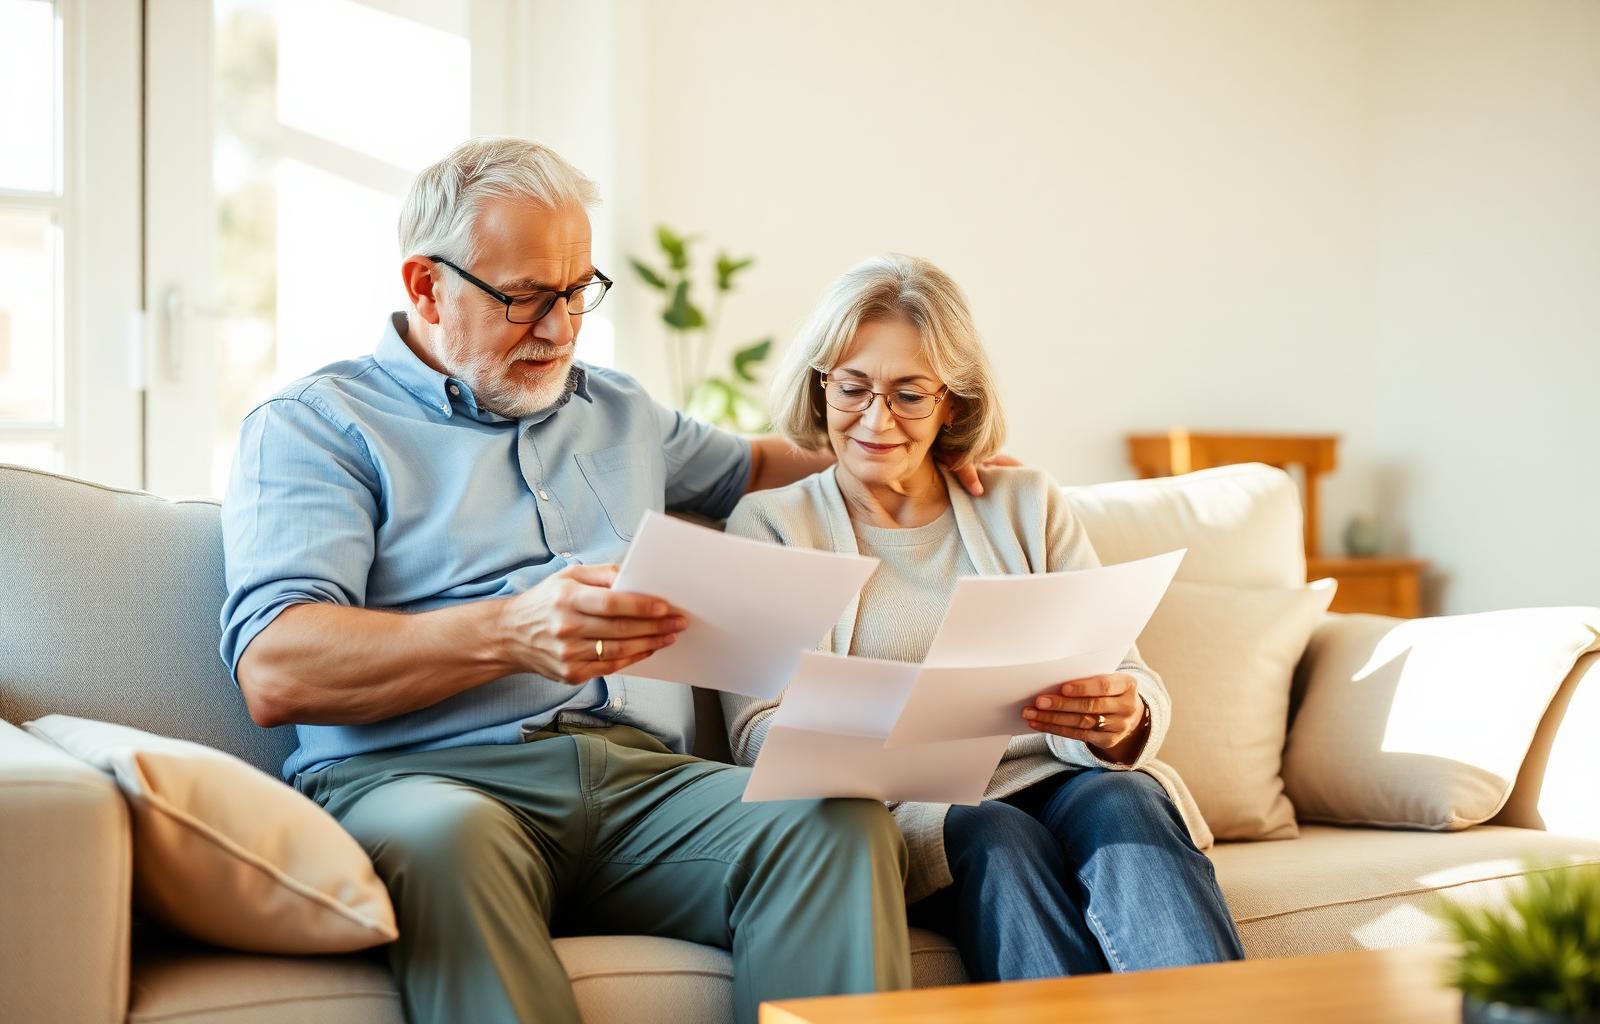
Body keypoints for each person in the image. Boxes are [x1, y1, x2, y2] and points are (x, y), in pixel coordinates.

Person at [219, 138, 937, 1024]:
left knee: (836, 820)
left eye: (577, 293)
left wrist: (924, 457)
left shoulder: (620, 410)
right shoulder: (319, 426)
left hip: (641, 785)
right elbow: (277, 667)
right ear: (424, 286)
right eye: (524, 298)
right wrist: (508, 631)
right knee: (452, 840)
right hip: (423, 785)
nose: (559, 329)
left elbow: (760, 464)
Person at [721, 254, 1246, 983]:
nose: (876, 420)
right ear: (820, 384)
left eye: (909, 395)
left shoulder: (1025, 503)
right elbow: (757, 736)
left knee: (1128, 797)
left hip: (1064, 776)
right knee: (996, 835)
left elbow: (1129, 677)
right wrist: (907, 714)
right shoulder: (770, 526)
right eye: (853, 388)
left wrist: (1122, 718)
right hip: (925, 809)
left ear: (952, 404)